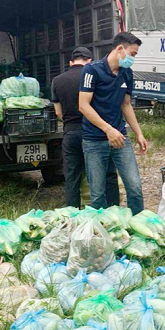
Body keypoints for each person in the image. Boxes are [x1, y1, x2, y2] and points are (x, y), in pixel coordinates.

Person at [79, 32, 148, 215]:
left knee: (134, 187)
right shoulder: (92, 70)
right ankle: (101, 233)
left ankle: (138, 225)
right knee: (98, 194)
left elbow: (125, 105)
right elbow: (83, 106)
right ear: (119, 49)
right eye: (132, 54)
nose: (133, 58)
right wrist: (107, 129)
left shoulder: (127, 73)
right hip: (94, 140)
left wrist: (139, 133)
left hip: (120, 138)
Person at [51, 47, 119, 208]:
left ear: (70, 62)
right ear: (90, 61)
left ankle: (73, 214)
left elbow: (58, 112)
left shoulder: (57, 80)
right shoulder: (94, 76)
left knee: (72, 177)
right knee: (107, 174)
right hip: (95, 133)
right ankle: (112, 212)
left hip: (71, 133)